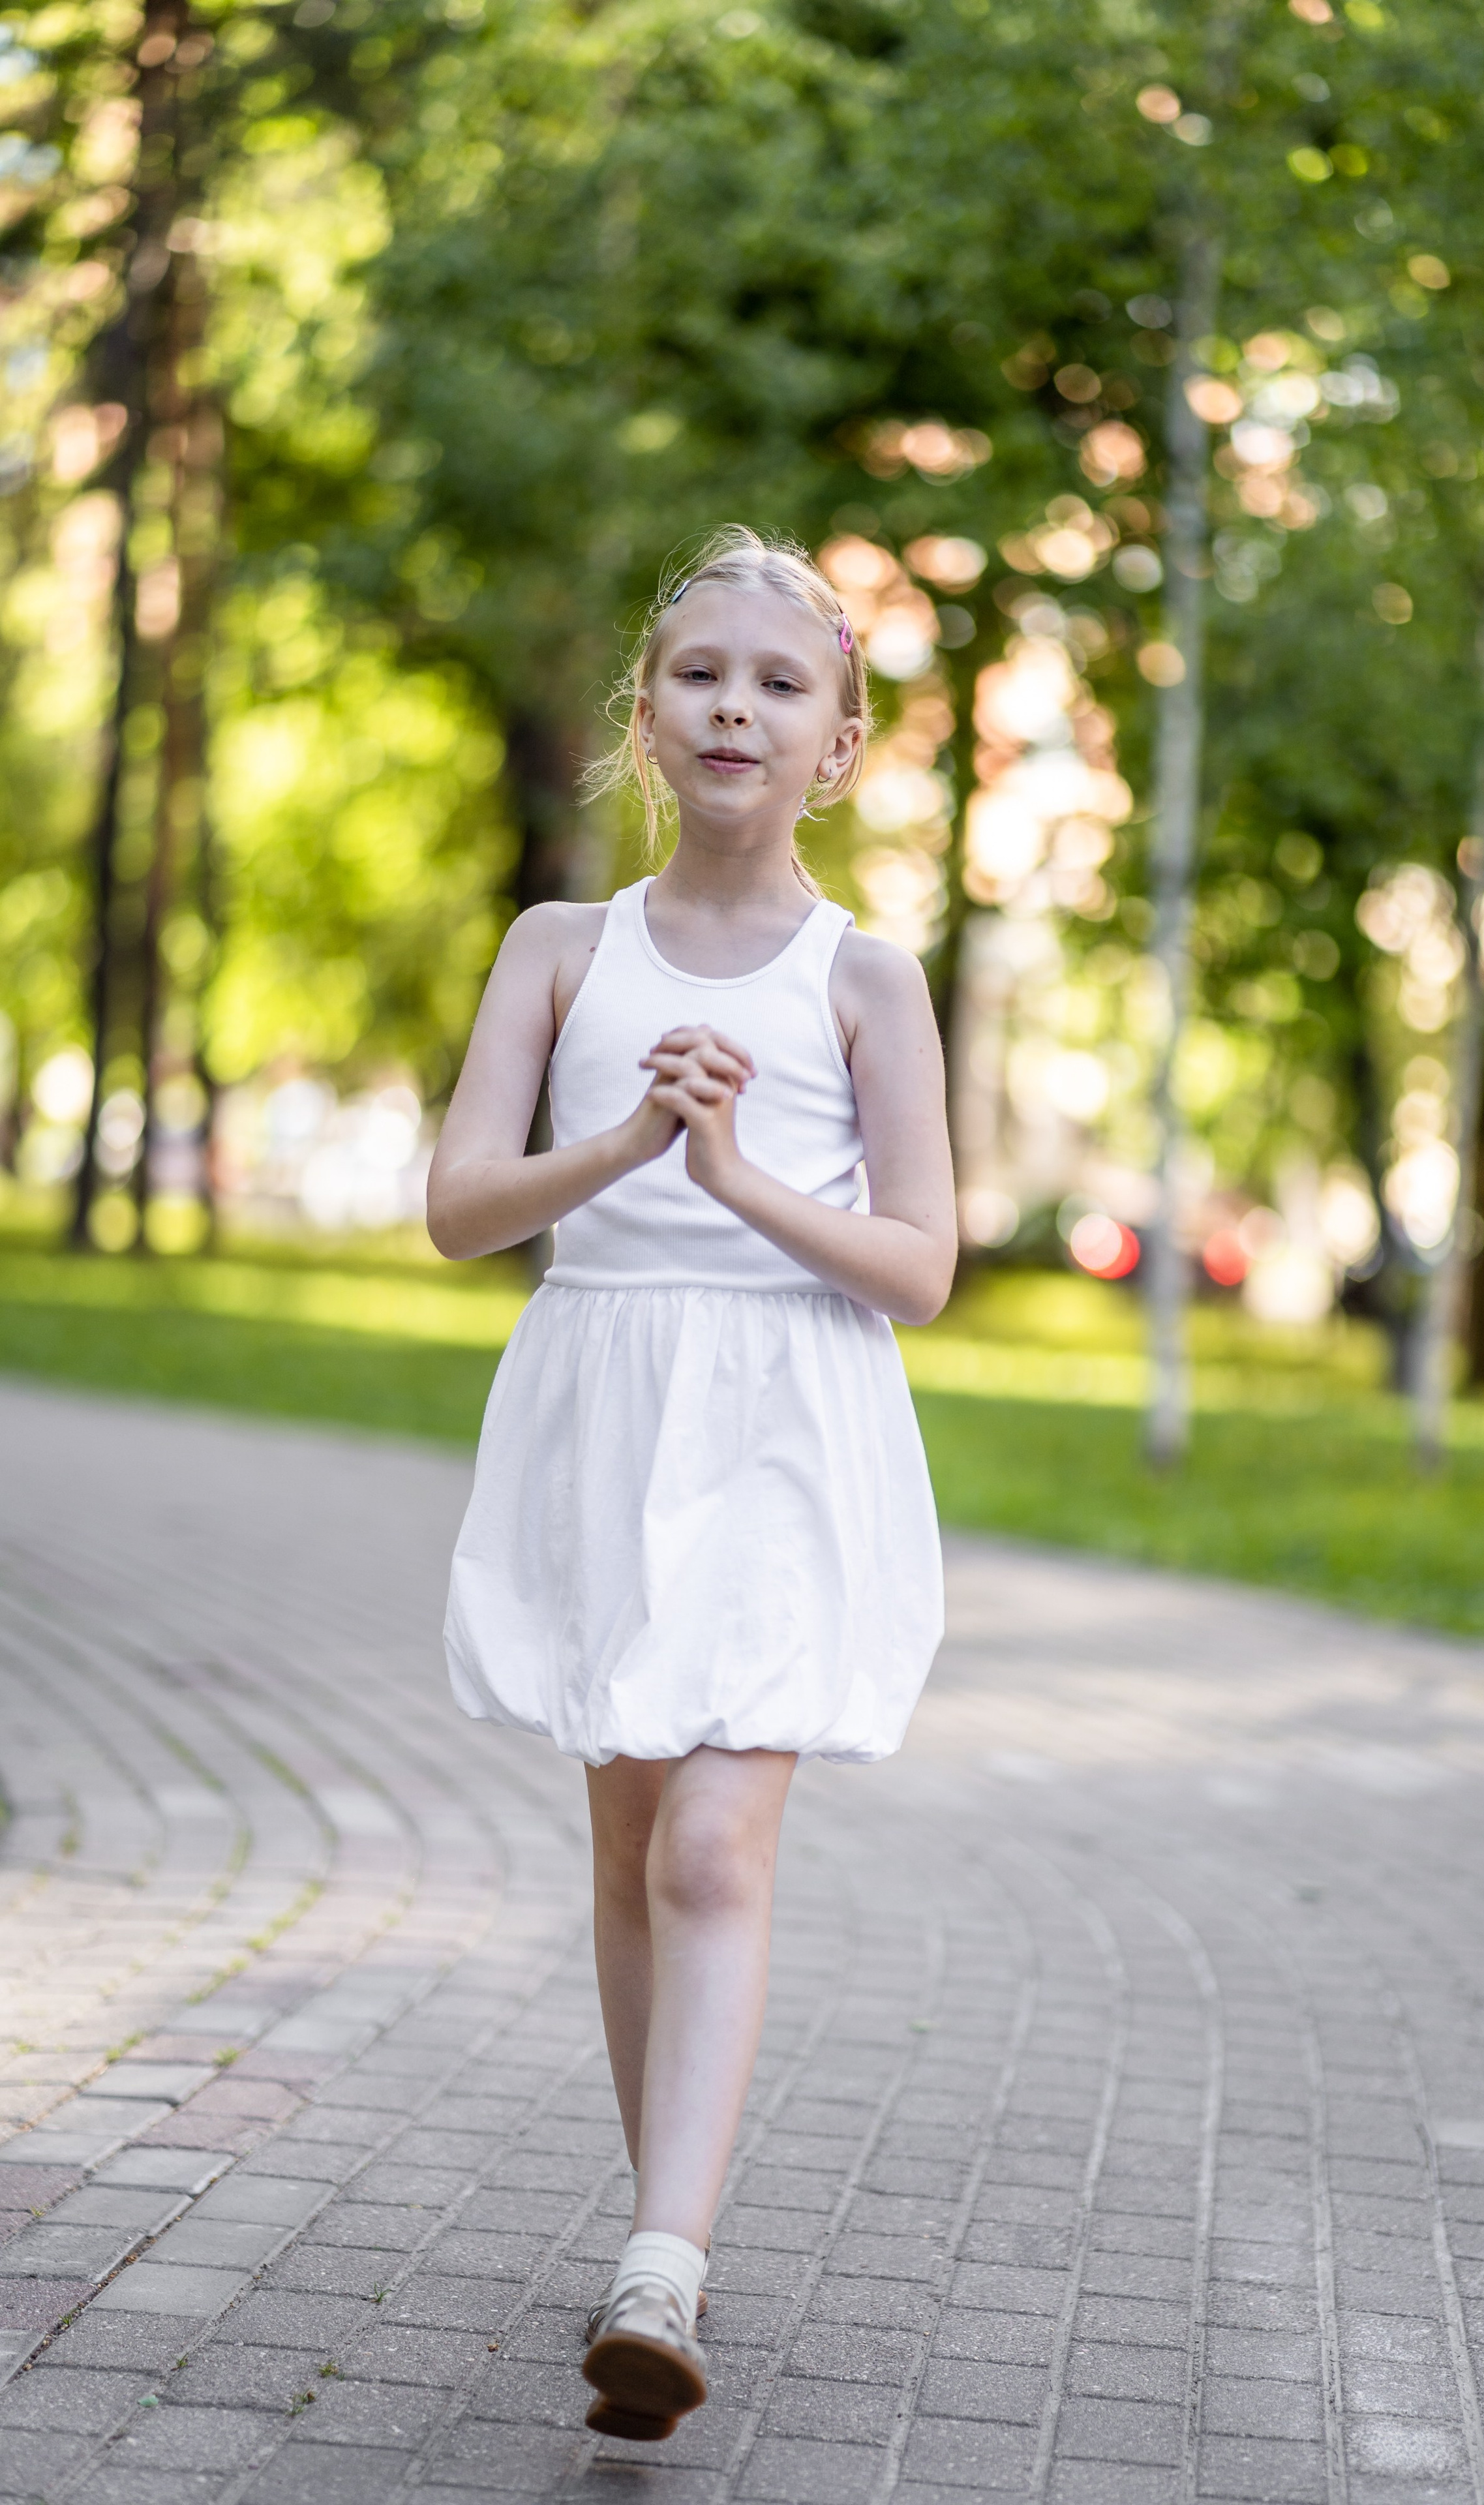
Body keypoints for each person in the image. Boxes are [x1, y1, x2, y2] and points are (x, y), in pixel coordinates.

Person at [427, 526, 954, 2444]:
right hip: (605, 1405)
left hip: (790, 1434)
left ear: (839, 738)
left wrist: (739, 1179)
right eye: (700, 674)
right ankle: (664, 2219)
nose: (737, 703)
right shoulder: (561, 951)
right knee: (631, 1843)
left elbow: (920, 1264)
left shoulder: (865, 978)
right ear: (645, 718)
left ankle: (665, 2263)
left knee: (718, 1847)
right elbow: (460, 1209)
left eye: (781, 681)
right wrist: (636, 1139)